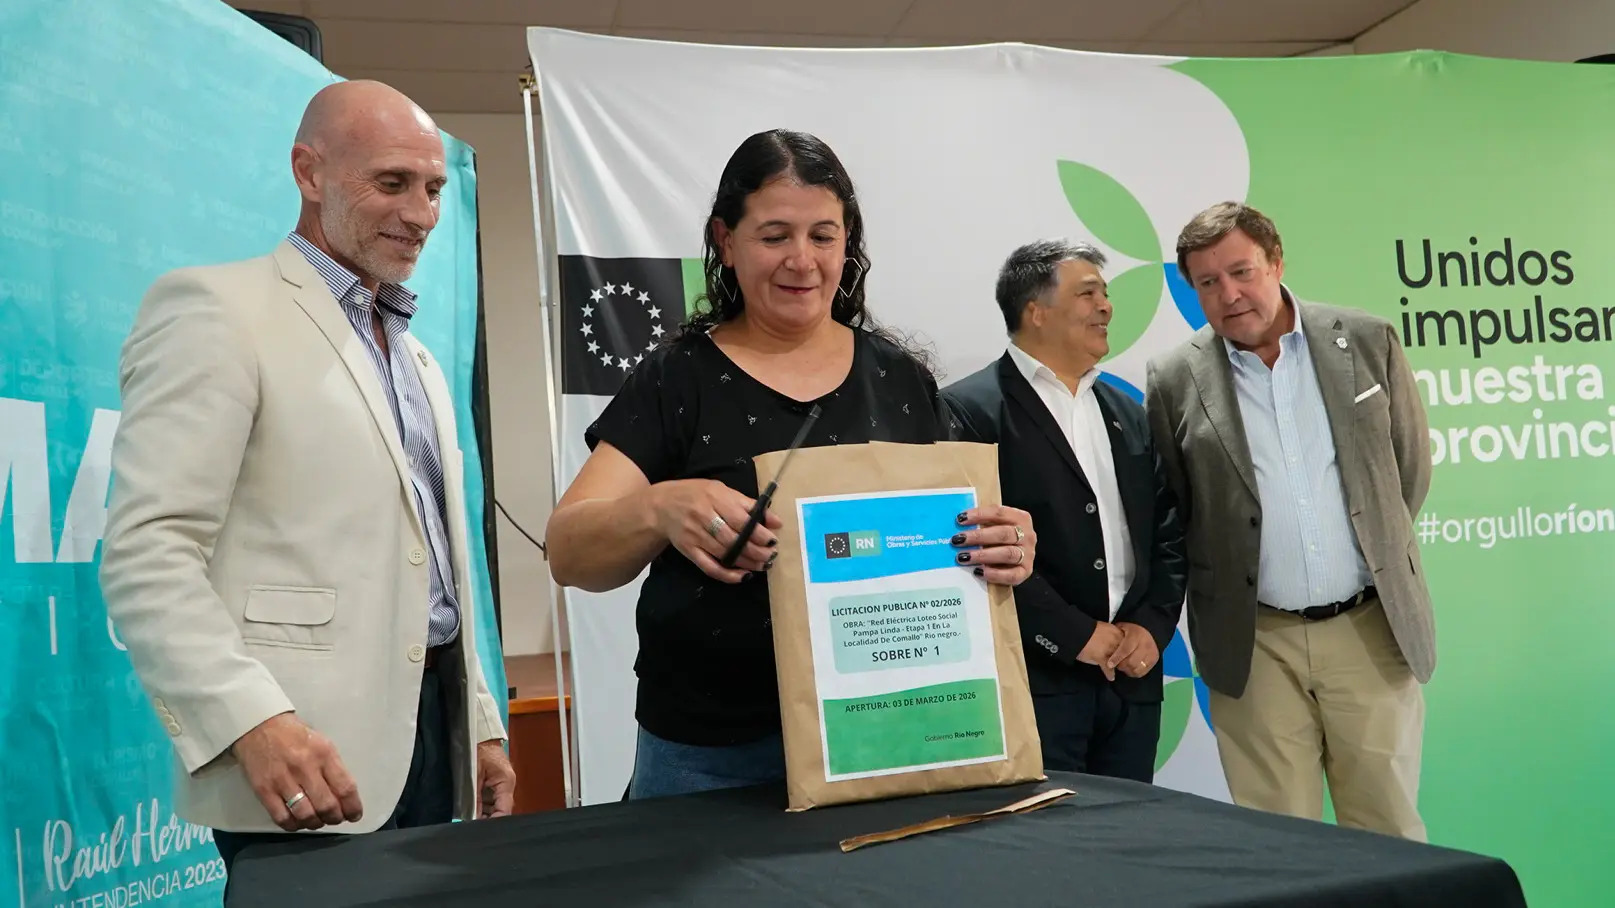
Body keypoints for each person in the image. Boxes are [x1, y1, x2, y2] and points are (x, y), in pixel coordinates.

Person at [99, 80, 514, 881]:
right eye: (391, 182)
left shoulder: (418, 358)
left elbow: (430, 567)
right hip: (298, 752)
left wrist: (479, 723)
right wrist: (250, 722)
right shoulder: (217, 309)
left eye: (433, 189)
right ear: (308, 172)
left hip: (432, 739)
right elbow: (148, 550)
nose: (422, 213)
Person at [544, 129, 1039, 799]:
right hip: (710, 753)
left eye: (822, 236)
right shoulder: (678, 378)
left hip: (884, 730)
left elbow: (951, 539)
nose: (801, 260)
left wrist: (1003, 544)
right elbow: (569, 553)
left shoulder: (899, 380)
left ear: (847, 242)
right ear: (725, 241)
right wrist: (658, 508)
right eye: (774, 236)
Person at [1144, 201, 1434, 839]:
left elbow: (1407, 472)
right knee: (1279, 842)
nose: (1229, 294)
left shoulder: (1367, 339)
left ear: (1276, 263)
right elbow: (1179, 508)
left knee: (1388, 833)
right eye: (1208, 282)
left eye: (1241, 272)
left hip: (1370, 630)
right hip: (1254, 643)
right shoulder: (1172, 377)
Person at [942, 240, 1185, 782]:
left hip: (1131, 681)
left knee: (1130, 827)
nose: (1106, 307)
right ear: (1036, 311)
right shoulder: (970, 409)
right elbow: (970, 548)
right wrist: (1075, 635)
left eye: (1106, 294)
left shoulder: (1127, 411)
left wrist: (1151, 628)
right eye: (1088, 293)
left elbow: (1166, 531)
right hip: (1037, 682)